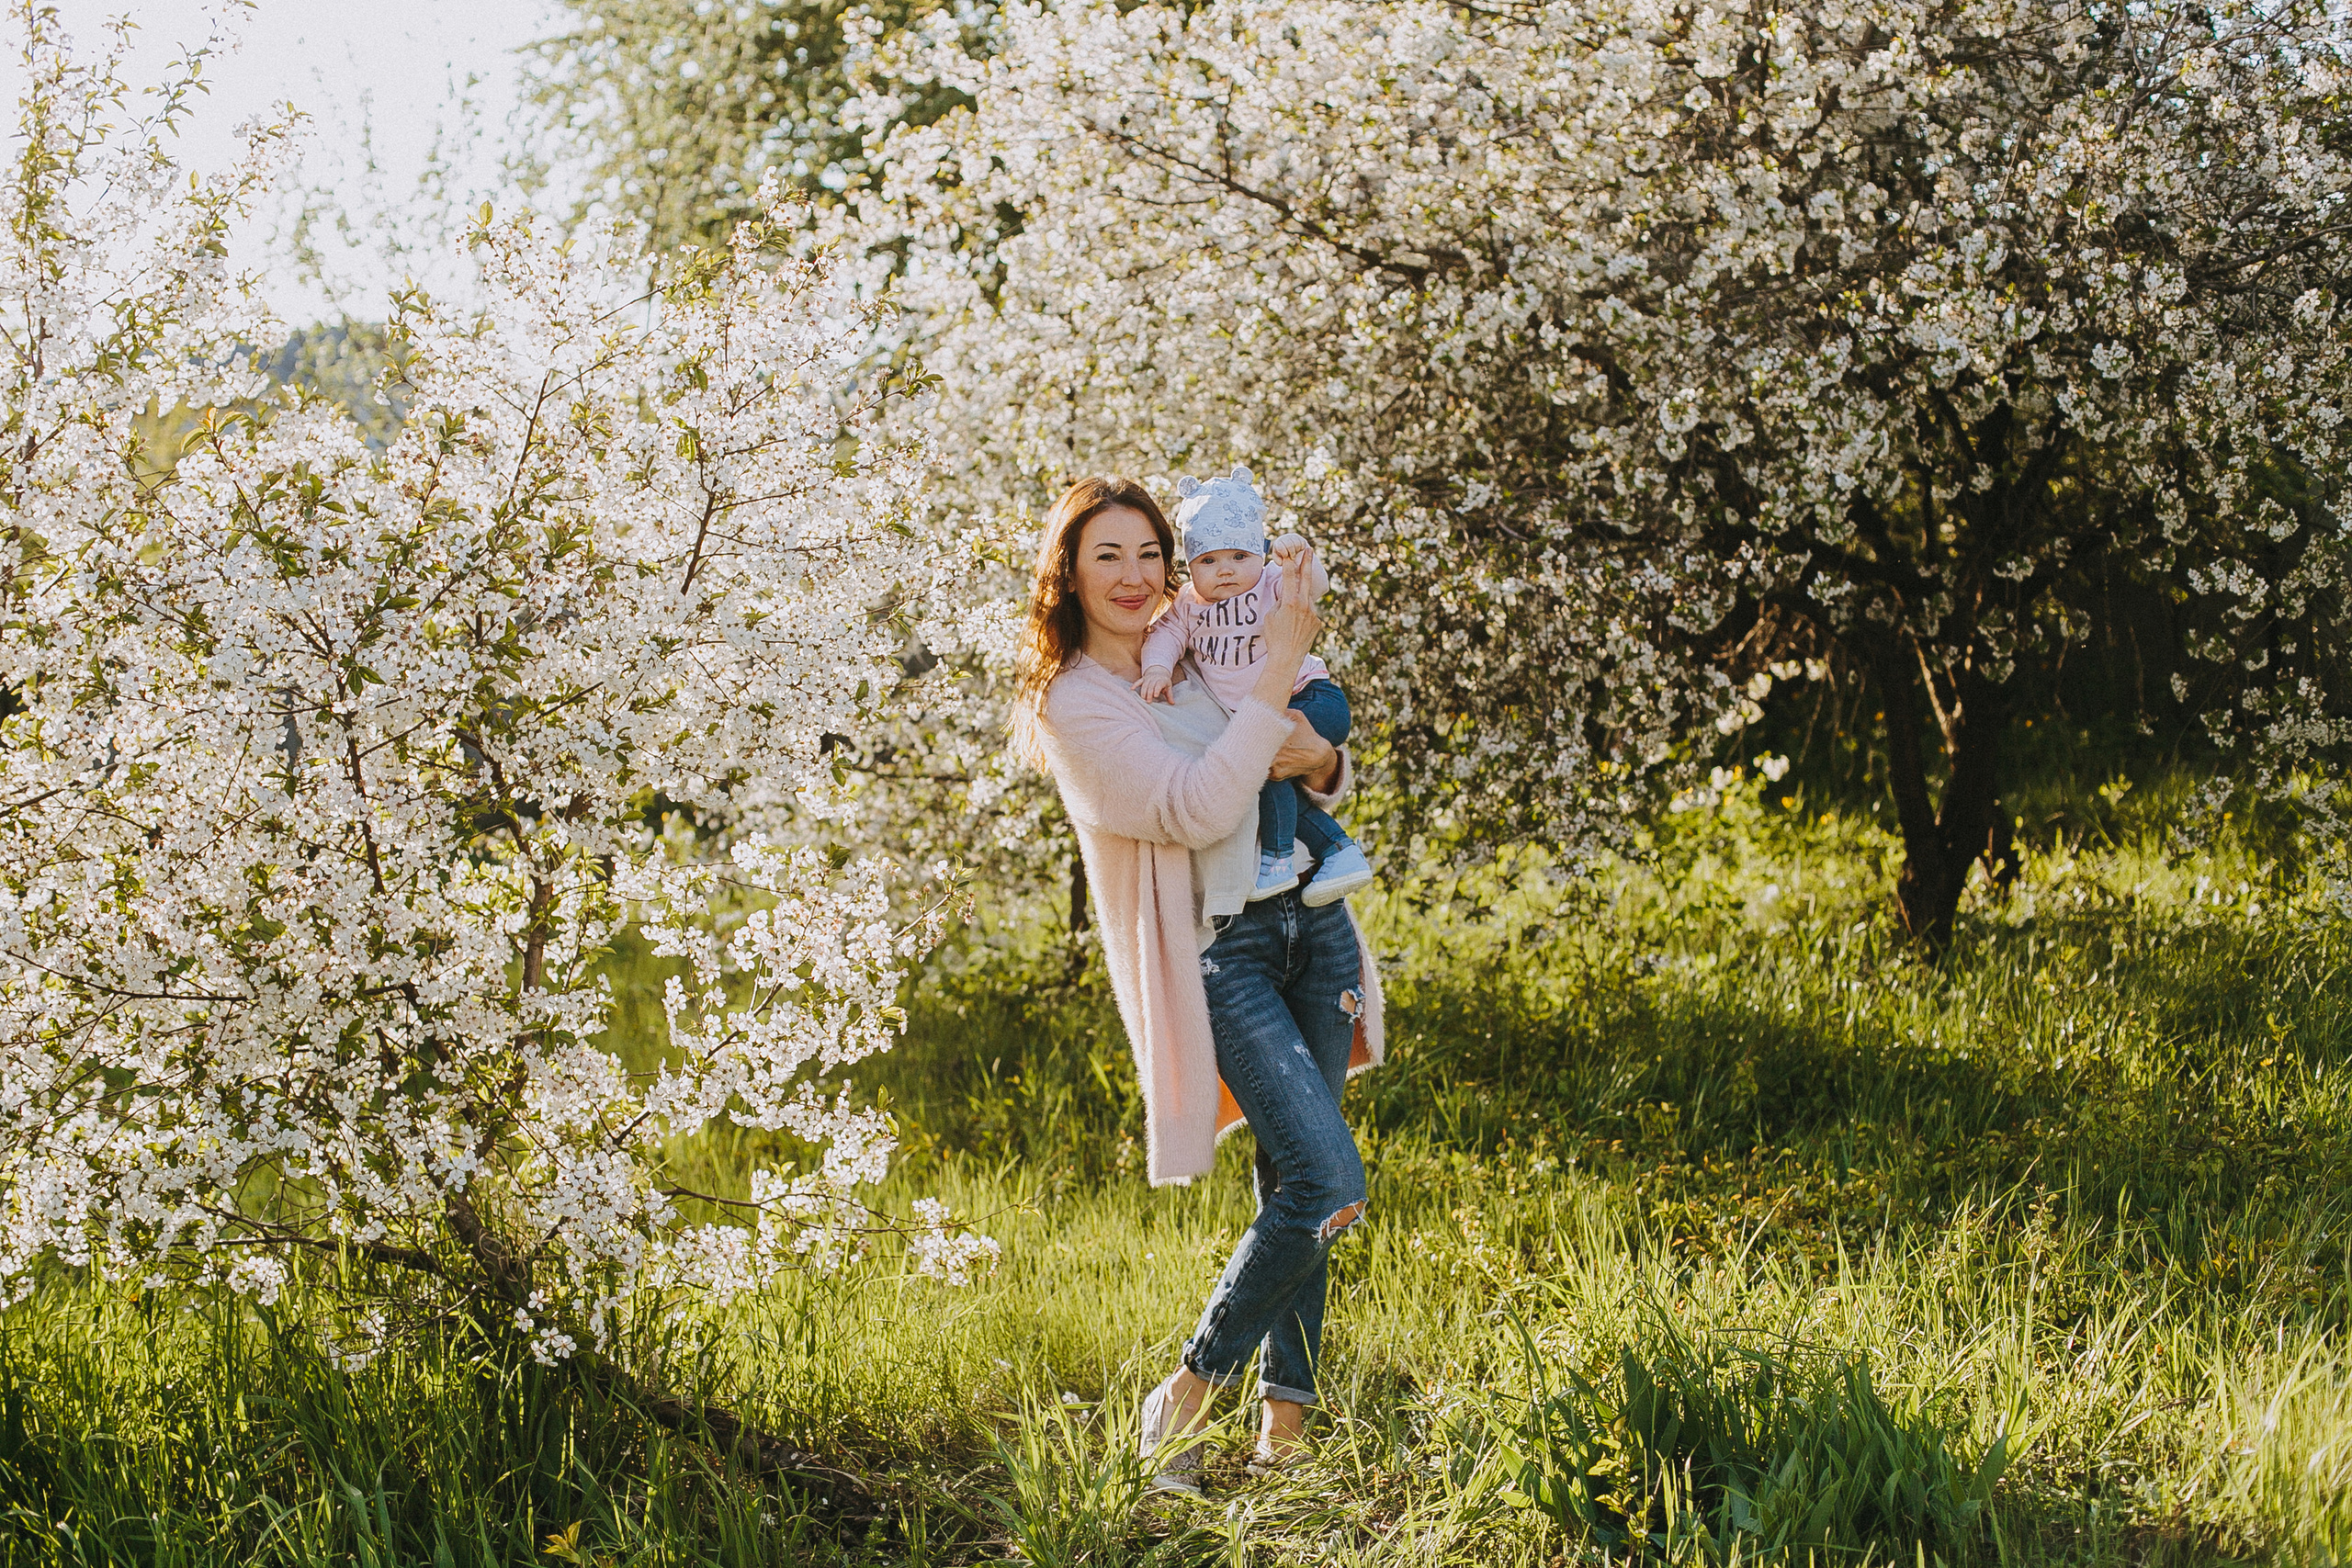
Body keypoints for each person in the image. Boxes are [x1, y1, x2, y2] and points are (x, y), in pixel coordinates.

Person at [1013, 475, 1386, 1493]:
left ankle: (1285, 1431)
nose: (1134, 578)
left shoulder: (1203, 631)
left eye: (1148, 555)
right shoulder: (1077, 702)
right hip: (1222, 950)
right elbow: (1189, 804)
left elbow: (1314, 751)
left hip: (1313, 928)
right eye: (1108, 558)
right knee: (1328, 1179)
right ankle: (1183, 1395)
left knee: (1296, 1183)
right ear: (1070, 576)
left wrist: (1309, 749)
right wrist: (1275, 708)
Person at [1137, 467, 1376, 906]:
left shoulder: (1269, 583)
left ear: (1259, 555)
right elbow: (1164, 636)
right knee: (1264, 769)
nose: (1225, 571)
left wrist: (1299, 554)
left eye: (1239, 557)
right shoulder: (1189, 606)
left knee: (1262, 760)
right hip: (1261, 715)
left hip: (1311, 698)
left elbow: (1315, 587)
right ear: (1190, 567)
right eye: (1208, 561)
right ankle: (1337, 852)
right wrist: (1155, 669)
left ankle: (1279, 860)